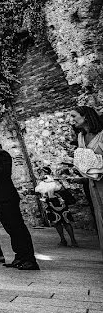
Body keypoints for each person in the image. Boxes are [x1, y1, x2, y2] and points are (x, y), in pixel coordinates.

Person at [0, 132, 40, 270]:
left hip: (7, 197)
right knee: (10, 229)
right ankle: (20, 256)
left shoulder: (1, 154)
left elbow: (4, 172)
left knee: (18, 227)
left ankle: (30, 259)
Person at [68, 105, 103, 260]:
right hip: (92, 183)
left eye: (74, 116)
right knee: (100, 217)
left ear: (86, 117)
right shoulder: (81, 136)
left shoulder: (102, 135)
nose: (71, 120)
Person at [35, 166, 78, 247]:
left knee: (64, 221)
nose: (40, 174)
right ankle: (65, 240)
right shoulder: (50, 182)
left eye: (41, 173)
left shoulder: (53, 181)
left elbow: (60, 189)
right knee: (59, 222)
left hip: (57, 202)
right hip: (53, 203)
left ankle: (71, 240)